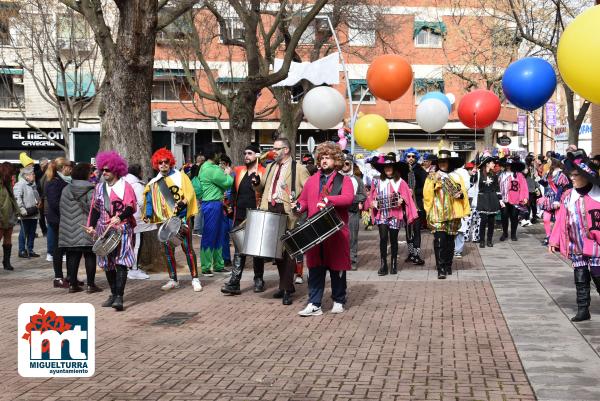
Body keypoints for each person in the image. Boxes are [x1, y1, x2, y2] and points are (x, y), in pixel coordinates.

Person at [294, 142, 354, 316]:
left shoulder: (345, 180)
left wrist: (330, 200)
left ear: (336, 160)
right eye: (321, 158)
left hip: (336, 232)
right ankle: (314, 303)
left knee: (337, 268)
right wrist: (297, 206)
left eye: (328, 157)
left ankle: (338, 300)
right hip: (315, 232)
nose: (324, 161)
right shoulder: (312, 180)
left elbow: (348, 198)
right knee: (315, 269)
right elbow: (304, 201)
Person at [254, 137, 310, 305]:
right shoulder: (270, 167)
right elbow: (262, 187)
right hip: (269, 209)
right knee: (276, 252)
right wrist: (256, 183)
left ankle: (286, 289)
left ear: (286, 150)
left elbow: (307, 191)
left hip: (286, 212)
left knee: (287, 252)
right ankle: (286, 285)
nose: (274, 151)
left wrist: (298, 205)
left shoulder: (299, 168)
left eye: (277, 149)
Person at [549, 150, 600, 322]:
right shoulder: (568, 196)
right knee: (580, 276)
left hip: (596, 245)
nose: (572, 178)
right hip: (576, 243)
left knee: (597, 274)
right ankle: (583, 309)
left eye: (576, 175)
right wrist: (554, 240)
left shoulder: (598, 195)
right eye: (571, 175)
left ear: (586, 176)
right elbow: (561, 219)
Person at [85, 151, 137, 311]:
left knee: (121, 262)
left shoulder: (125, 187)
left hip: (122, 229)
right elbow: (95, 208)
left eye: (107, 170)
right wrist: (91, 226)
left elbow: (131, 206)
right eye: (103, 170)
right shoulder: (99, 187)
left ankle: (119, 297)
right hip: (103, 230)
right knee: (107, 264)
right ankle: (113, 294)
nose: (104, 172)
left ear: (116, 170)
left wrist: (120, 218)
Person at [144, 148, 201, 292]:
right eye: (160, 162)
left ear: (171, 162)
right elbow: (150, 200)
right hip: (166, 221)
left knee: (187, 248)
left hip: (181, 219)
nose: (163, 164)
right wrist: (149, 214)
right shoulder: (154, 182)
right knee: (168, 251)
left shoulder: (181, 177)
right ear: (156, 164)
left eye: (166, 161)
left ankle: (195, 278)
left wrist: (183, 202)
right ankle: (173, 279)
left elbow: (190, 194)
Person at [222, 144, 267, 295]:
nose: (246, 156)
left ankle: (258, 279)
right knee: (239, 249)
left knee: (257, 250)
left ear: (257, 155)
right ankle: (235, 283)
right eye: (245, 153)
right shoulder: (239, 171)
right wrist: (230, 207)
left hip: (256, 215)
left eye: (250, 153)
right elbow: (234, 192)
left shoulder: (263, 172)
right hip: (239, 215)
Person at [365, 153, 418, 275]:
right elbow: (371, 196)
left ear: (394, 168)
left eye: (390, 167)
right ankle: (383, 264)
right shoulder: (376, 181)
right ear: (383, 169)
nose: (388, 169)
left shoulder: (401, 182)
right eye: (386, 167)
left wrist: (402, 200)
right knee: (383, 238)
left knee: (394, 239)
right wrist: (372, 202)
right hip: (382, 214)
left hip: (395, 214)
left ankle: (394, 263)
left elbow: (407, 198)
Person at [423, 150, 470, 279]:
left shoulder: (456, 177)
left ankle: (448, 264)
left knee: (450, 241)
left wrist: (459, 195)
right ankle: (441, 268)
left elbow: (463, 194)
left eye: (445, 161)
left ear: (449, 162)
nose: (443, 164)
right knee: (439, 240)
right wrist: (434, 183)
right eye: (440, 161)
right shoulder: (432, 176)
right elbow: (426, 194)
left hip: (453, 214)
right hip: (437, 214)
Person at [59, 163, 102, 293]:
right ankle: (90, 285)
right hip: (86, 227)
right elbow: (93, 209)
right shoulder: (91, 190)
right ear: (85, 174)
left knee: (72, 255)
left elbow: (62, 208)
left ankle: (72, 285)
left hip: (69, 228)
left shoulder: (66, 189)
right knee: (90, 255)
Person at [193, 144, 233, 276]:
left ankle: (217, 265)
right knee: (211, 235)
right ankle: (206, 267)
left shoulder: (205, 167)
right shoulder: (212, 169)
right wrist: (228, 174)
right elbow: (227, 183)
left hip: (213, 204)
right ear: (215, 154)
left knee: (218, 234)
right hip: (213, 204)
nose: (220, 156)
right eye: (219, 153)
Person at [45, 157, 73, 287]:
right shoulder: (54, 182)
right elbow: (54, 203)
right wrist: (67, 214)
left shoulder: (60, 180)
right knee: (58, 249)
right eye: (68, 167)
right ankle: (58, 277)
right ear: (63, 167)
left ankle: (69, 276)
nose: (70, 169)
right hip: (58, 220)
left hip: (61, 219)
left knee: (65, 248)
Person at [124, 164, 154, 279]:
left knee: (129, 244)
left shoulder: (123, 182)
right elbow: (142, 202)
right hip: (136, 218)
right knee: (137, 243)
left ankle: (129, 267)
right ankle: (134, 269)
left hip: (125, 218)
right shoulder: (137, 185)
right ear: (139, 172)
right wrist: (147, 214)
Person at [340, 153, 366, 270]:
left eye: (347, 163)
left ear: (351, 164)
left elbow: (363, 196)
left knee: (352, 237)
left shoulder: (357, 180)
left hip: (352, 212)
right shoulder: (336, 178)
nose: (344, 166)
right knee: (339, 238)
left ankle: (352, 260)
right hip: (338, 212)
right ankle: (339, 260)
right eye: (342, 163)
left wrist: (351, 198)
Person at [402, 148, 427, 265]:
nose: (411, 158)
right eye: (408, 156)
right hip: (405, 205)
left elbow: (426, 187)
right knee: (408, 231)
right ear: (405, 157)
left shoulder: (420, 170)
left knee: (416, 230)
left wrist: (414, 191)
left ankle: (417, 255)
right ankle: (411, 253)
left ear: (416, 157)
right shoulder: (402, 171)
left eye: (413, 156)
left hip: (417, 205)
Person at [537, 157, 570, 246]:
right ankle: (548, 236)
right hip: (548, 198)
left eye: (549, 162)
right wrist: (539, 180)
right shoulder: (548, 173)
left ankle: (557, 239)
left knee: (558, 220)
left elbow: (560, 188)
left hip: (557, 199)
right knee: (546, 219)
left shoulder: (561, 174)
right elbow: (545, 184)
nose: (548, 163)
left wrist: (557, 200)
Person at [499, 156, 529, 241]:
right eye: (507, 165)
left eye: (510, 165)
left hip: (515, 200)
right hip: (504, 199)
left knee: (514, 217)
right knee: (504, 216)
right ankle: (505, 233)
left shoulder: (519, 175)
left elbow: (524, 187)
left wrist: (524, 197)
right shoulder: (501, 175)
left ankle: (513, 234)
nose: (508, 166)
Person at [14, 166, 40, 260]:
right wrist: (22, 210)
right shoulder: (20, 184)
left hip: (34, 212)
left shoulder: (32, 184)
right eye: (32, 174)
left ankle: (30, 250)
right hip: (26, 213)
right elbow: (17, 198)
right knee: (24, 233)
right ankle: (22, 250)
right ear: (26, 176)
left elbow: (36, 196)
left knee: (32, 232)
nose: (34, 175)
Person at [476, 154, 501, 248]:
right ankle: (481, 240)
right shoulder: (479, 174)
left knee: (491, 221)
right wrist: (473, 175)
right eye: (492, 163)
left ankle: (489, 240)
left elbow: (497, 188)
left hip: (492, 198)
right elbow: (474, 184)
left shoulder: (494, 174)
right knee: (483, 220)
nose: (494, 164)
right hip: (482, 198)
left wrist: (500, 200)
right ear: (487, 164)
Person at [0, 162, 19, 270]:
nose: (13, 176)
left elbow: (12, 200)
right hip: (1, 217)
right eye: (11, 174)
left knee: (8, 239)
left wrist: (17, 211)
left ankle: (6, 262)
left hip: (9, 215)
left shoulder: (8, 185)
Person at [219, 154, 234, 267]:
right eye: (219, 163)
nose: (219, 166)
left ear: (227, 164)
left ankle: (239, 257)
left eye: (221, 164)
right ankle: (226, 258)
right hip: (223, 209)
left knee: (235, 234)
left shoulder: (233, 175)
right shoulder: (218, 175)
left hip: (233, 208)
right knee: (224, 234)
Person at [35, 157, 49, 236]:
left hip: (47, 196)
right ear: (41, 164)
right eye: (46, 164)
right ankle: (44, 231)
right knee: (41, 215)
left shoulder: (49, 172)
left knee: (47, 213)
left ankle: (47, 229)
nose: (48, 165)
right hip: (40, 196)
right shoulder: (37, 173)